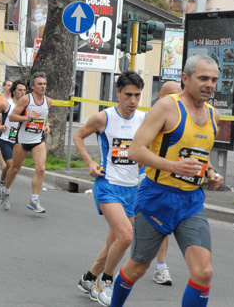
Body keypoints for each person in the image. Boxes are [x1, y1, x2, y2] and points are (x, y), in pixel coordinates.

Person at [110, 56, 223, 307]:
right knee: (137, 268)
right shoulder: (166, 107)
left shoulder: (214, 115)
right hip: (157, 198)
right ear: (185, 78)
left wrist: (210, 173)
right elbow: (136, 151)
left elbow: (200, 154)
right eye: (203, 78)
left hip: (191, 202)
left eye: (214, 80)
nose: (210, 85)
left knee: (204, 273)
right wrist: (173, 166)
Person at [74, 71, 145, 306]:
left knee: (113, 242)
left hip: (132, 190)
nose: (133, 101)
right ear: (118, 93)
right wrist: (90, 162)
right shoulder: (104, 118)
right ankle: (106, 282)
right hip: (108, 186)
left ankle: (88, 278)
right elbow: (78, 136)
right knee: (126, 237)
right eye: (128, 95)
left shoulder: (144, 119)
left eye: (137, 95)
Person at [0, 72, 52, 213]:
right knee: (15, 169)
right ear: (33, 86)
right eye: (40, 84)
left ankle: (34, 200)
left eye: (45, 84)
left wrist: (47, 126)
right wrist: (27, 118)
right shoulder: (26, 100)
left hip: (38, 139)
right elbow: (12, 117)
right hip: (22, 139)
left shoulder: (48, 101)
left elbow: (44, 115)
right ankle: (6, 191)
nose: (43, 86)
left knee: (41, 169)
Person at [150, 80, 182, 286]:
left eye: (179, 95)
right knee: (125, 231)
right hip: (145, 181)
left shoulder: (182, 117)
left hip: (169, 184)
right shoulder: (153, 116)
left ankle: (161, 267)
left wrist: (211, 171)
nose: (176, 100)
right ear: (161, 96)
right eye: (172, 96)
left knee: (161, 226)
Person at [0, 80, 27, 201]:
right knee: (11, 166)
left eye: (24, 90)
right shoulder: (6, 104)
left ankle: (1, 181)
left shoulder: (26, 106)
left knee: (11, 168)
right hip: (5, 138)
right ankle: (5, 190)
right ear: (14, 91)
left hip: (19, 140)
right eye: (20, 90)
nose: (22, 92)